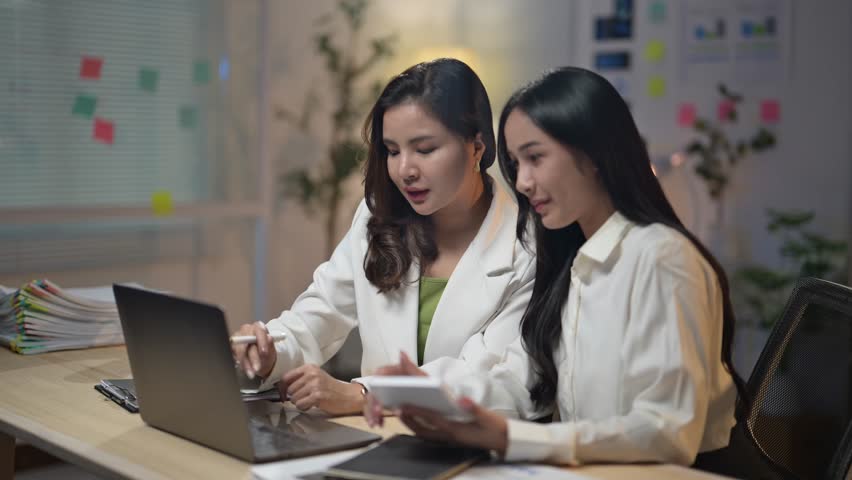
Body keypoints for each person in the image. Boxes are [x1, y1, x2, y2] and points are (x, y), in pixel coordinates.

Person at [366, 66, 748, 466]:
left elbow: (669, 431)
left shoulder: (661, 258)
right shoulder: (572, 257)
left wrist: (513, 437)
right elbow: (522, 379)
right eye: (515, 163)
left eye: (535, 158)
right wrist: (428, 394)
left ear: (594, 154)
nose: (524, 182)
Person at [231, 58, 536, 415]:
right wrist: (270, 352)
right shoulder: (378, 216)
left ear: (477, 147)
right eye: (392, 151)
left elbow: (490, 379)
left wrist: (366, 394)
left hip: (470, 450)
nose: (404, 170)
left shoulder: (525, 248)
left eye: (424, 149)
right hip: (378, 441)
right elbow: (321, 313)